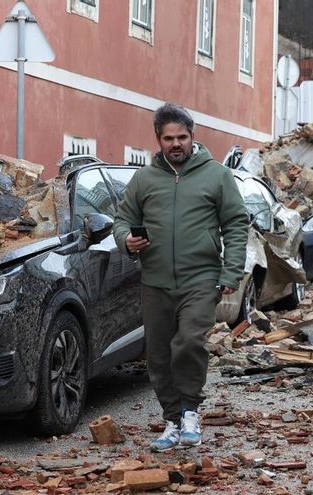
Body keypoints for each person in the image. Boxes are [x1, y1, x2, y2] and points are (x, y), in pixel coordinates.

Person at [113, 103, 248, 451]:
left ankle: (190, 411)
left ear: (193, 136)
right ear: (158, 139)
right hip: (154, 281)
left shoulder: (217, 176)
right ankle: (172, 421)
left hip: (201, 279)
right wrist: (127, 240)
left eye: (182, 137)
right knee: (158, 356)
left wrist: (231, 269)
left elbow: (235, 224)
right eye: (168, 138)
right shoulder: (144, 179)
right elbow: (121, 220)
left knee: (188, 342)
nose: (176, 144)